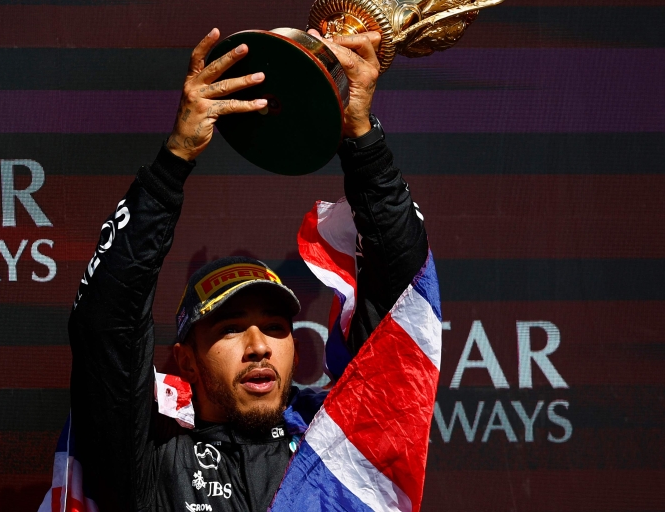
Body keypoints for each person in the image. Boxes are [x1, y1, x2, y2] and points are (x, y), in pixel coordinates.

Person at [68, 27, 429, 511]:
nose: (259, 347)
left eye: (276, 328)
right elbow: (106, 322)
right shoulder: (153, 461)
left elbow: (399, 299)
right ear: (186, 361)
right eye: (232, 328)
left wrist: (361, 140)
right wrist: (173, 163)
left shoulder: (342, 451)